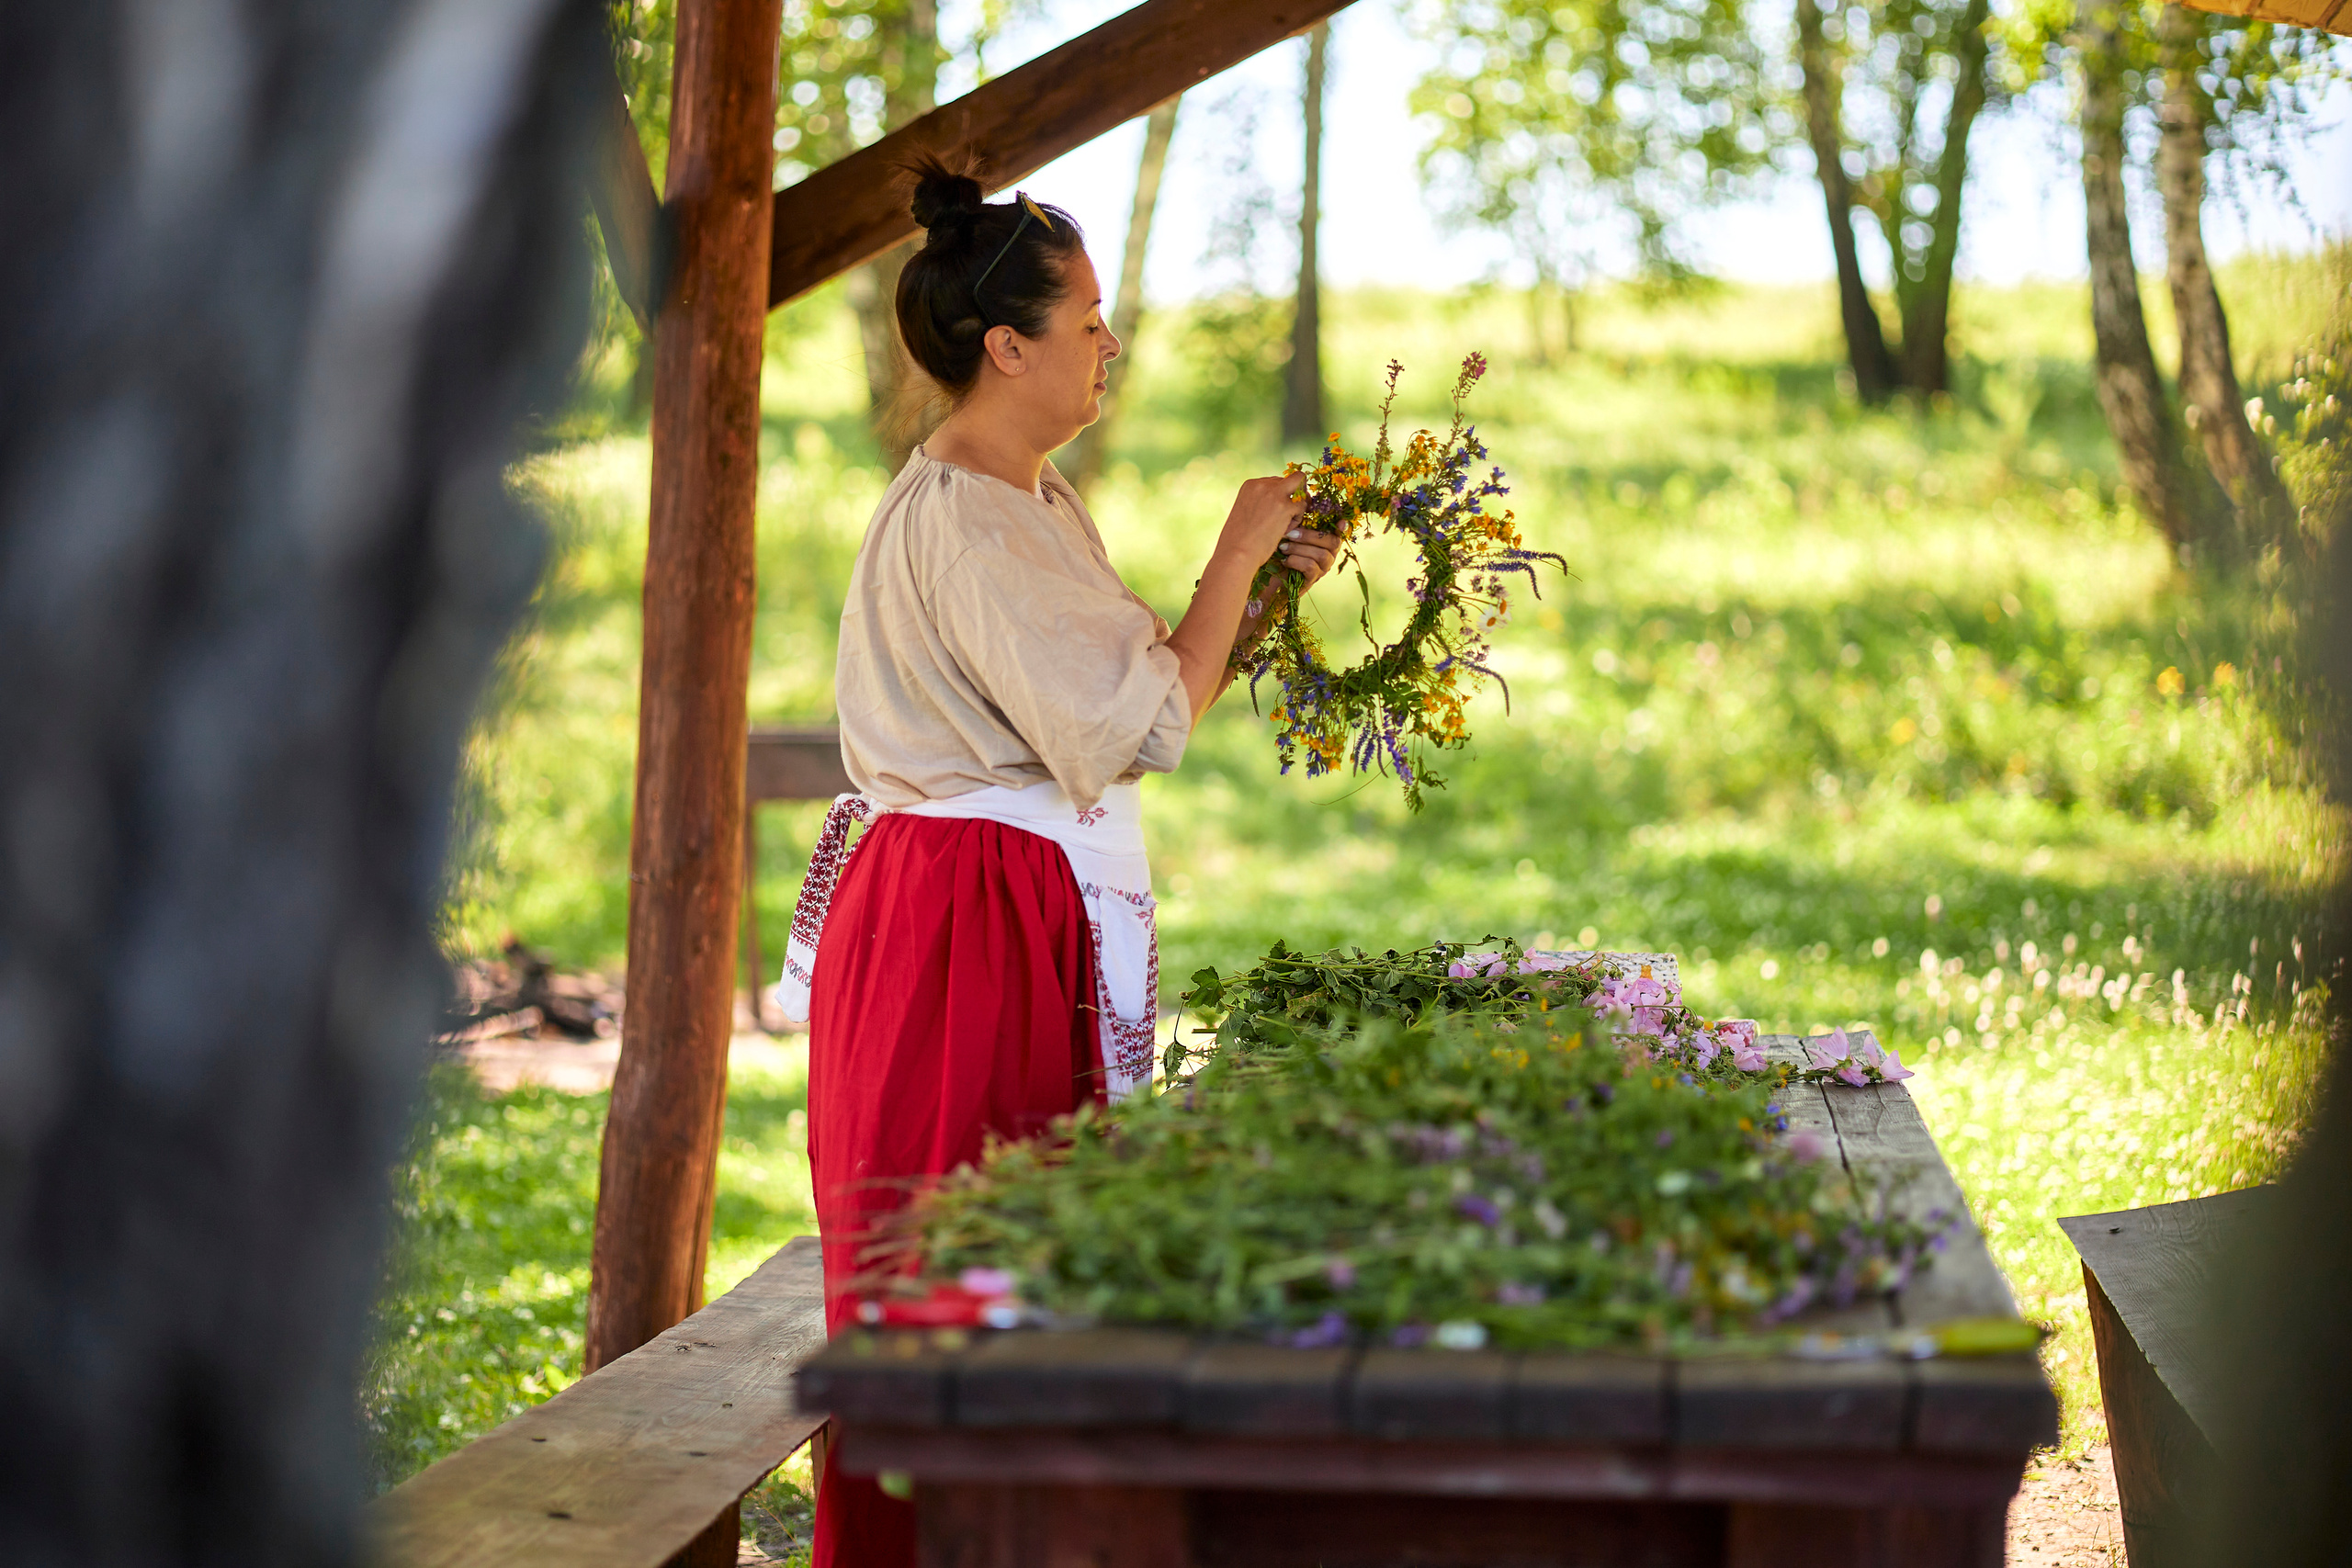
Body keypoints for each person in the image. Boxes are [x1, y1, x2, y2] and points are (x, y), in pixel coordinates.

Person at [782, 156, 1336, 1567]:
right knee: (963, 1280)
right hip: (959, 926)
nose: (1109, 344)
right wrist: (1236, 547)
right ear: (1004, 345)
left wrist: (1260, 593)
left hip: (991, 905)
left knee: (1029, 1274)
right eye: (1086, 319)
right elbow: (1145, 719)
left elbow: (1144, 685)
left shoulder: (1024, 498)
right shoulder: (970, 514)